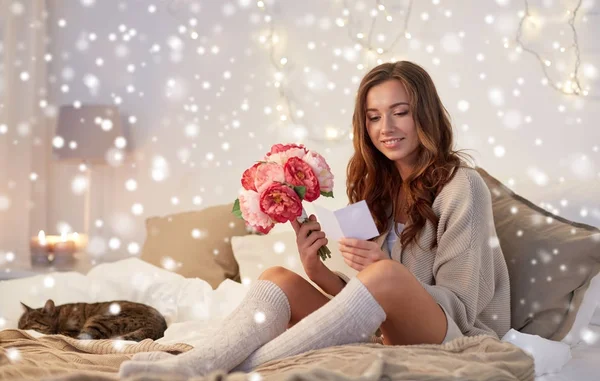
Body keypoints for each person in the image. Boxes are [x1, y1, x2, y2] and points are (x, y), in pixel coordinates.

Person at [119, 60, 511, 378]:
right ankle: (204, 358)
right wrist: (316, 269)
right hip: (389, 332)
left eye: (400, 113)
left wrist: (388, 273)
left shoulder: (464, 186)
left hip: (448, 333)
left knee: (386, 276)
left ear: (423, 114)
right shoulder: (379, 189)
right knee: (278, 277)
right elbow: (364, 305)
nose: (386, 129)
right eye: (374, 117)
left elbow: (461, 304)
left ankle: (210, 368)